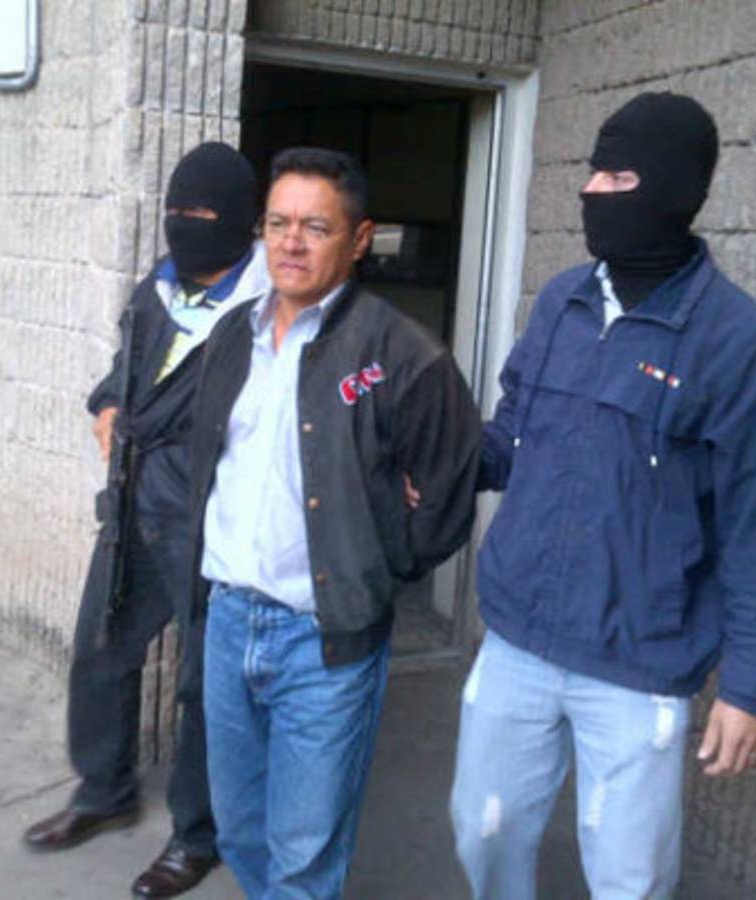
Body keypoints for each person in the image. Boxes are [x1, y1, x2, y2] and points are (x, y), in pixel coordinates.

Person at [449, 92, 756, 899]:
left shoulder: (733, 339)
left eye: (617, 178)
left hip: (638, 659)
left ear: (673, 190)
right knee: (483, 833)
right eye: (594, 174)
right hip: (518, 633)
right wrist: (430, 456)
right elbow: (511, 438)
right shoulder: (562, 302)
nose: (592, 192)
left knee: (629, 880)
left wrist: (752, 688)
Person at [186, 147, 482, 899]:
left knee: (304, 850)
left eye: (315, 227)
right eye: (277, 223)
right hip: (229, 621)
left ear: (358, 239)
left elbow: (447, 489)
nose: (291, 242)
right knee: (240, 827)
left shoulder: (403, 354)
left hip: (324, 638)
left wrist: (381, 562)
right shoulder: (233, 334)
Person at [22, 142, 271, 899]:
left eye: (202, 212)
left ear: (242, 221)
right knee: (101, 648)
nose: (184, 223)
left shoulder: (266, 306)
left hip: (210, 519)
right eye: (176, 209)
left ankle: (197, 834)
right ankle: (103, 790)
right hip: (133, 503)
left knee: (205, 685)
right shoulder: (155, 288)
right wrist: (106, 406)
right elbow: (122, 374)